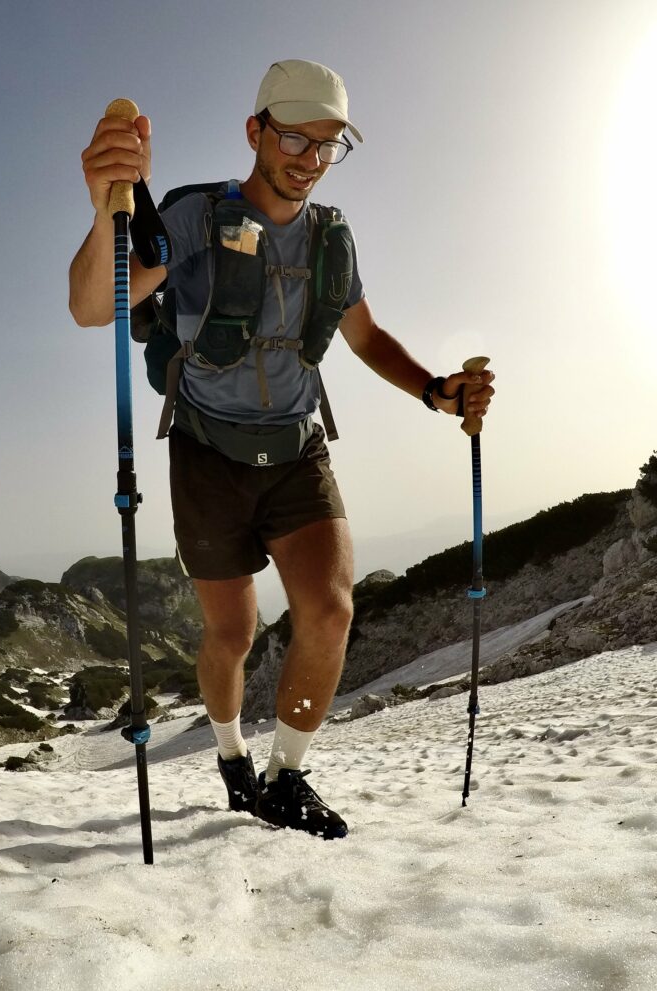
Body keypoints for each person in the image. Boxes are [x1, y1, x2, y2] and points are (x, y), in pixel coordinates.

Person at [69, 59, 495, 840]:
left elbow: (363, 335)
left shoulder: (333, 236)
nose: (308, 156)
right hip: (206, 454)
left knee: (329, 611)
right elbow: (96, 305)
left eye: (328, 143)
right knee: (230, 634)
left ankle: (285, 777)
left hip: (298, 452)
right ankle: (231, 754)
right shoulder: (195, 218)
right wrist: (107, 218)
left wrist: (436, 390)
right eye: (294, 135)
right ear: (255, 132)